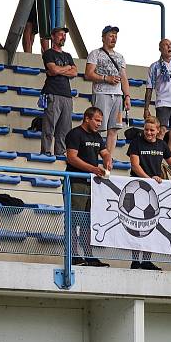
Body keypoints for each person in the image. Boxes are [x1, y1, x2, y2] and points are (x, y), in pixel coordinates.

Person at [127, 116, 171, 271]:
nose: (149, 132)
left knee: (151, 224)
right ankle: (135, 260)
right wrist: (148, 180)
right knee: (137, 224)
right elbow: (135, 165)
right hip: (138, 187)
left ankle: (147, 260)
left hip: (155, 189)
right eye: (146, 129)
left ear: (158, 130)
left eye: (152, 130)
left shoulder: (162, 145)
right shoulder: (136, 143)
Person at [65, 107, 112, 268]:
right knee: (74, 220)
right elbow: (71, 158)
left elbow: (105, 152)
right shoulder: (75, 134)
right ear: (87, 118)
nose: (99, 124)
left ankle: (89, 256)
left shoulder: (97, 136)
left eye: (100, 120)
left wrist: (107, 159)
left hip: (92, 184)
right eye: (97, 120)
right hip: (76, 181)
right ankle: (73, 255)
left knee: (88, 223)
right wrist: (93, 169)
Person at [86, 25, 131, 156]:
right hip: (101, 93)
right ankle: (93, 156)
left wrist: (127, 96)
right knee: (97, 127)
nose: (114, 38)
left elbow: (124, 77)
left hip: (117, 95)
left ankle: (108, 160)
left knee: (114, 128)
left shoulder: (120, 56)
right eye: (111, 35)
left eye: (115, 36)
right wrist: (106, 78)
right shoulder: (95, 53)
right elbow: (88, 74)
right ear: (103, 37)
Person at [40, 27, 76, 156]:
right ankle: (46, 152)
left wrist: (59, 69)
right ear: (53, 37)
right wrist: (66, 68)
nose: (63, 37)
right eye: (60, 34)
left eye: (64, 35)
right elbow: (53, 70)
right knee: (49, 126)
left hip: (67, 94)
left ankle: (60, 152)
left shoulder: (68, 55)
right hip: (53, 93)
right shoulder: (49, 53)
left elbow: (74, 72)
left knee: (65, 128)